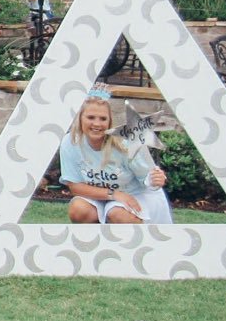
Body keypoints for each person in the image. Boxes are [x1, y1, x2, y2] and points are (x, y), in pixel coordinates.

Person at [59, 87, 173, 225]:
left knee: (117, 213)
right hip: (102, 195)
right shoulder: (70, 142)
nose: (97, 123)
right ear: (80, 118)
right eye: (90, 117)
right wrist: (115, 194)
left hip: (135, 194)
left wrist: (156, 179)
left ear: (109, 121)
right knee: (79, 209)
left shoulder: (125, 143)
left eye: (103, 119)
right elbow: (75, 186)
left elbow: (147, 180)